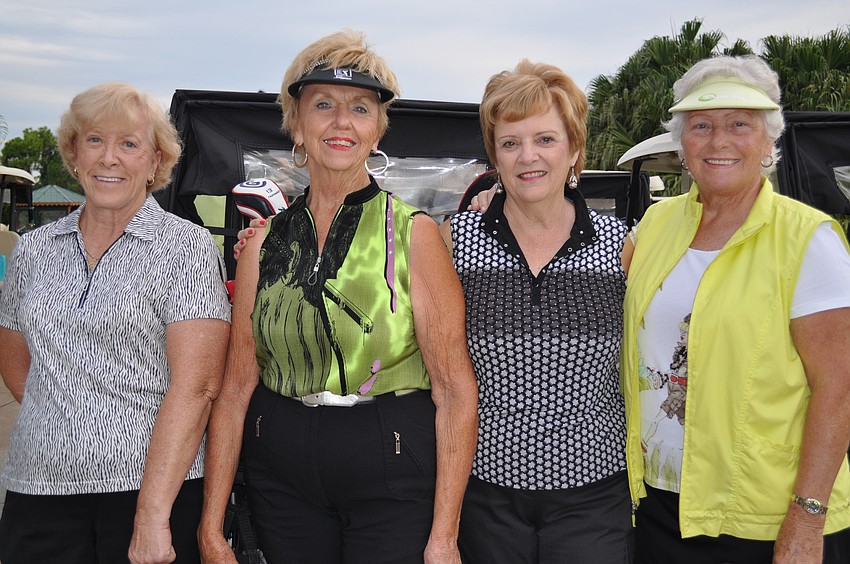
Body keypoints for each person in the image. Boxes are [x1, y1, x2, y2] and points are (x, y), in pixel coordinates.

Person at [197, 30, 478, 564]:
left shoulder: (413, 233)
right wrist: (212, 528)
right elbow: (234, 390)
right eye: (323, 105)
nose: (341, 122)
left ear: (378, 129)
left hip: (391, 465)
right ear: (296, 125)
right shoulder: (263, 244)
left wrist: (444, 537)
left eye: (360, 108)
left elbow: (455, 390)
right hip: (280, 473)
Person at [620, 55, 850, 564]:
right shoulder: (655, 225)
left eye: (739, 124)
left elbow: (839, 388)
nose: (719, 141)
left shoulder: (808, 240)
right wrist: (509, 208)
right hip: (656, 503)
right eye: (701, 125)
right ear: (682, 143)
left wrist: (807, 517)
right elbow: (584, 272)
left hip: (765, 515)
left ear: (769, 142)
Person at [0, 82, 231, 563]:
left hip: (151, 494)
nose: (110, 158)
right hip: (36, 489)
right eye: (95, 140)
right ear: (74, 154)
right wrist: (67, 422)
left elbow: (198, 387)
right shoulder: (34, 249)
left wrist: (151, 515)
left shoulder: (183, 247)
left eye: (129, 144)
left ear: (154, 163)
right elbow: (19, 366)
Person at [440, 60, 633, 563]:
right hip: (484, 495)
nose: (529, 157)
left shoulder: (622, 247)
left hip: (594, 494)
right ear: (494, 155)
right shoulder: (455, 241)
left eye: (545, 139)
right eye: (511, 143)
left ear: (574, 150)